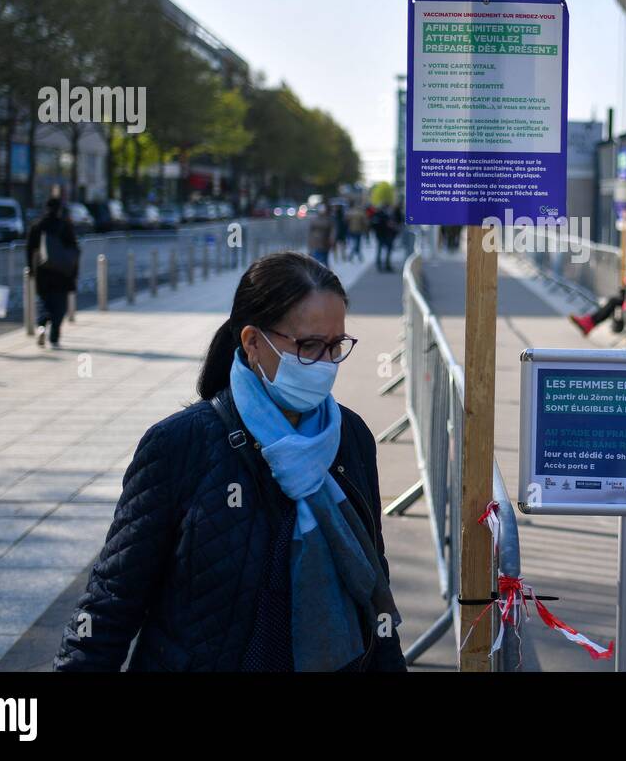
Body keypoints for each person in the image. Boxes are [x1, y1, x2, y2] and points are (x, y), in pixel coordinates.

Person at [55, 252, 405, 672]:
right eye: (310, 346)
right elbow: (110, 605)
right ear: (253, 342)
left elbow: (373, 592)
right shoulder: (181, 445)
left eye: (336, 346)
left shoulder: (351, 438)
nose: (326, 364)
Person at [26, 197, 79, 348]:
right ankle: (54, 335)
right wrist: (74, 272)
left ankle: (42, 326)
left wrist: (31, 268)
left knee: (43, 301)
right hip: (62, 272)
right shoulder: (65, 225)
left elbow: (30, 250)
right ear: (59, 209)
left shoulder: (37, 226)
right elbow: (74, 250)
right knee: (59, 305)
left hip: (43, 272)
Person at [371, 205, 399, 273]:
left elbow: (373, 225)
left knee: (383, 250)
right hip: (385, 235)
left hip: (384, 235)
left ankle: (382, 265)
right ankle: (384, 265)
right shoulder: (382, 215)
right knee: (385, 250)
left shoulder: (379, 215)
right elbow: (375, 225)